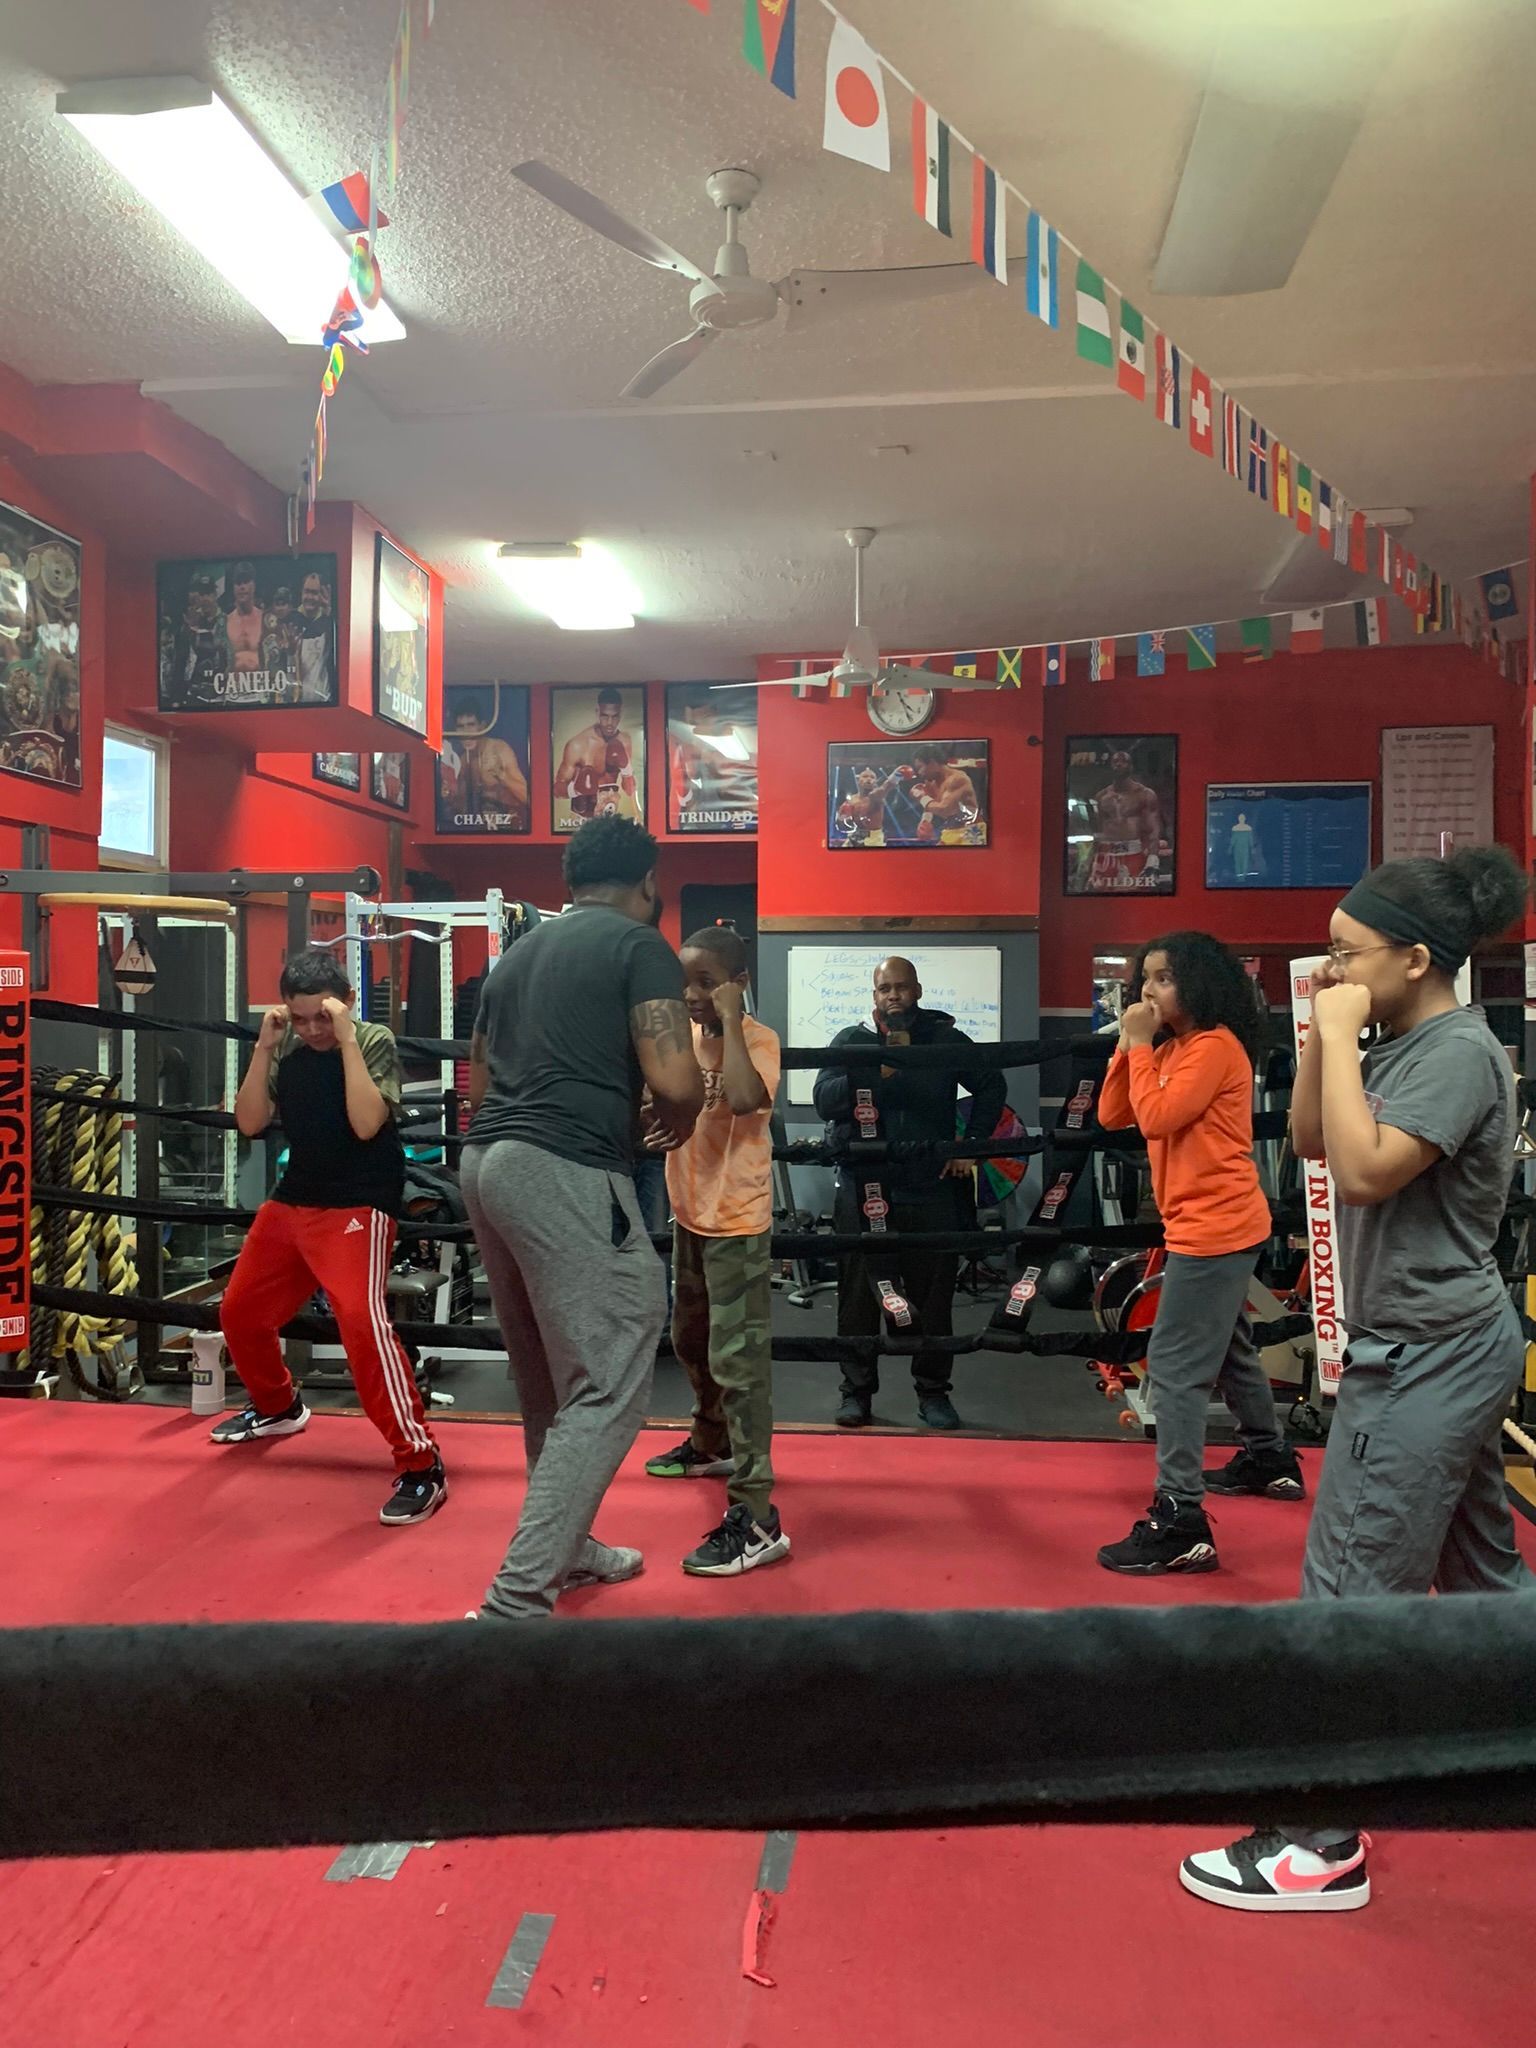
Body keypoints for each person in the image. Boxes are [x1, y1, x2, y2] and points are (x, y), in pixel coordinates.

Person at [1182, 845, 1532, 1913]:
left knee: (1348, 1591)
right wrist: (1323, 1036)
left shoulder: (1459, 1053)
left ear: (1415, 958)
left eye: (1348, 952)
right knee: (1482, 1576)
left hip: (1429, 1352)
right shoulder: (1395, 1042)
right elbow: (1310, 1140)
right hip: (1428, 1342)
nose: (1330, 970)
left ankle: (1320, 1842)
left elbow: (1371, 1169)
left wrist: (1339, 1038)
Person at [462, 816, 703, 1619]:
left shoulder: (517, 954)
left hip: (486, 1164)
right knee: (610, 1374)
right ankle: (514, 1604)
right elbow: (675, 1079)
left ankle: (567, 1551)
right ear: (648, 882)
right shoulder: (640, 946)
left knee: (547, 1382)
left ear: (572, 881)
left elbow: (479, 1084)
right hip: (560, 1166)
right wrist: (679, 1117)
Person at [212, 950, 446, 1525]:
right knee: (241, 1312)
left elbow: (367, 1123)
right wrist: (264, 1046)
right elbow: (249, 1121)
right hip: (295, 1195)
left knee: (362, 1323)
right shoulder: (286, 1046)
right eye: (300, 1018)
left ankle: (421, 1463)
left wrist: (345, 1039)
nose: (312, 1029)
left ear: (347, 1002)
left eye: (323, 1016)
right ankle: (278, 1406)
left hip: (359, 1201)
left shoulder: (371, 1040)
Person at [1096, 933, 1301, 1575]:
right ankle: (1269, 1457)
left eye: (1163, 979)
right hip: (1204, 1223)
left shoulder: (1213, 1046)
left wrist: (1137, 1046)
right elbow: (1113, 1114)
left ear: (1198, 984)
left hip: (1216, 1228)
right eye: (1145, 980)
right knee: (1231, 1346)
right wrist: (1130, 1046)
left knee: (1175, 1368)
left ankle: (1180, 1519)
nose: (1148, 991)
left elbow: (1158, 1118)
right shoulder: (1171, 1049)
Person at [643, 927, 788, 1576]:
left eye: (707, 983)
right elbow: (658, 1111)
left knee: (739, 1365)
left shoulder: (757, 1040)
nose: (692, 995)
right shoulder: (679, 1042)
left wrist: (730, 1018)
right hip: (689, 1217)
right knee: (691, 1340)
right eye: (686, 983)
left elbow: (745, 1099)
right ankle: (711, 1442)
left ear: (737, 984)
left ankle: (757, 1516)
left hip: (736, 1223)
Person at [814, 957, 1006, 1429]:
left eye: (902, 987)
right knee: (858, 1298)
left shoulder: (944, 1041)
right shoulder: (852, 1042)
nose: (894, 996)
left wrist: (969, 1146)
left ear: (917, 991)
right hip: (863, 1185)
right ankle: (856, 1393)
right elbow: (823, 1100)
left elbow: (992, 1084)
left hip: (929, 1185)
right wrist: (869, 1075)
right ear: (874, 995)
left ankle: (933, 1394)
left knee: (934, 1299)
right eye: (885, 989)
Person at [554, 687, 638, 824]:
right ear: (597, 712)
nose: (610, 723)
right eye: (605, 716)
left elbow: (629, 790)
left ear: (620, 714)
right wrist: (575, 790)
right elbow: (557, 790)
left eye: (615, 716)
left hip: (610, 818)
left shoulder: (624, 741)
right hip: (581, 821)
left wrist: (626, 769)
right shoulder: (578, 745)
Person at [1088, 747, 1167, 889]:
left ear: (1131, 766)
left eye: (1123, 761)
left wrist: (1152, 861)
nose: (1119, 764)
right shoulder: (1101, 797)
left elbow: (1153, 830)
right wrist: (1093, 862)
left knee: (1135, 896)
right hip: (1106, 856)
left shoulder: (1145, 794)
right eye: (1115, 761)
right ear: (1110, 766)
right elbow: (1098, 831)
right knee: (1103, 897)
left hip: (1134, 854)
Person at [908, 744, 985, 845]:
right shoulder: (931, 782)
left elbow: (945, 809)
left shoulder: (957, 779)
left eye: (920, 767)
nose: (919, 772)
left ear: (932, 763)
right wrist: (925, 821)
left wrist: (921, 797)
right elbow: (930, 804)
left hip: (971, 831)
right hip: (949, 830)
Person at [225, 561, 263, 674]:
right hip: (233, 682)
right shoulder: (225, 622)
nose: (242, 587)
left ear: (254, 585)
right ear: (233, 588)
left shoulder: (264, 620)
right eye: (238, 583)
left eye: (246, 582)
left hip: (260, 682)